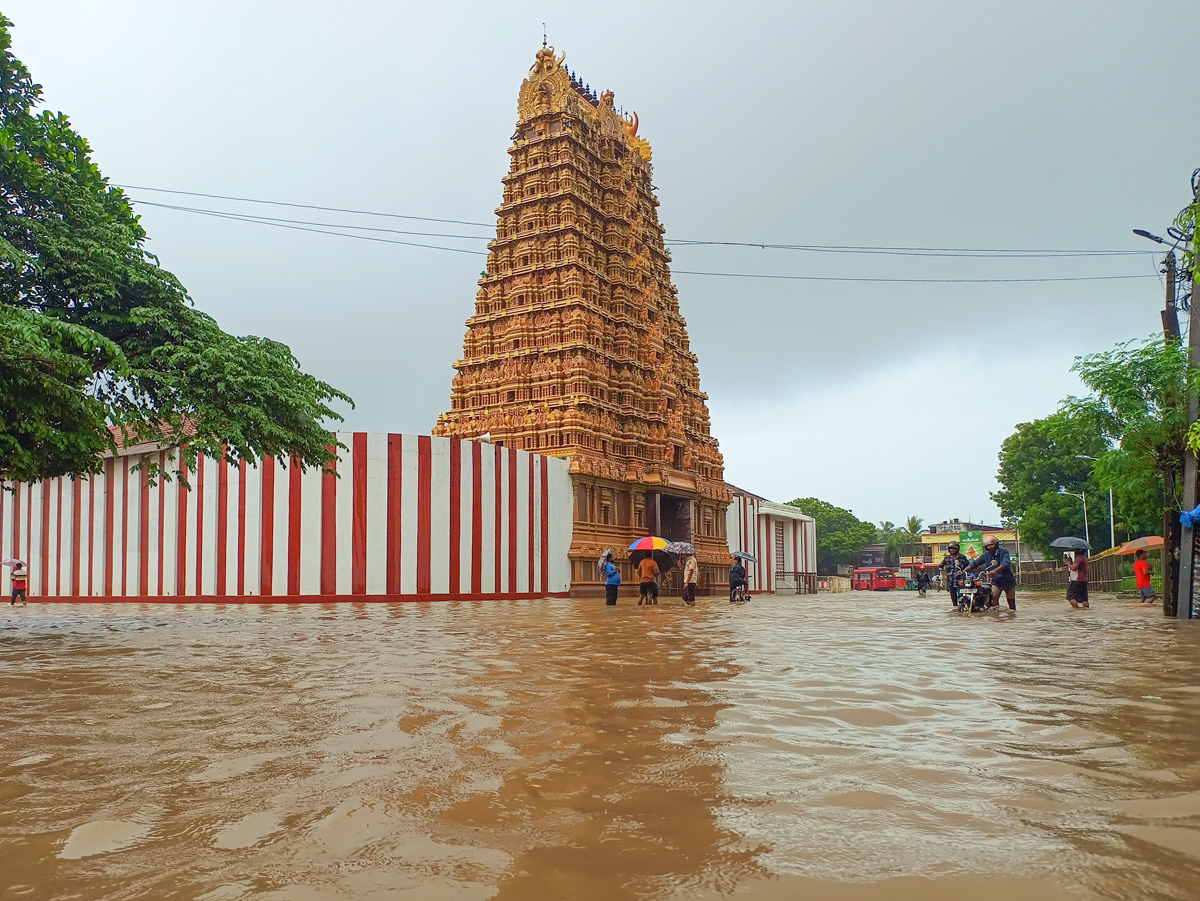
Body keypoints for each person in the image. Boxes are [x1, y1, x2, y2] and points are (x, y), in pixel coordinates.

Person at [971, 535, 1017, 611]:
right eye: (988, 545)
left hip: (1008, 579)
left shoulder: (1004, 552)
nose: (990, 547)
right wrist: (964, 571)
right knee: (993, 597)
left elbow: (1006, 563)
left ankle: (1012, 615)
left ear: (996, 544)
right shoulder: (985, 555)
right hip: (996, 580)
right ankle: (996, 615)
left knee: (1011, 600)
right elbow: (975, 563)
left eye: (991, 545)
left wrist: (995, 570)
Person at [940, 543, 970, 608]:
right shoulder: (947, 558)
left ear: (957, 549)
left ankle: (962, 607)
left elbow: (968, 567)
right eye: (950, 549)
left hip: (961, 580)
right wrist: (944, 575)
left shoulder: (963, 558)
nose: (952, 550)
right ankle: (955, 609)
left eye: (953, 548)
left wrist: (962, 571)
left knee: (961, 595)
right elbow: (940, 566)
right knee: (953, 596)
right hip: (950, 580)